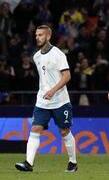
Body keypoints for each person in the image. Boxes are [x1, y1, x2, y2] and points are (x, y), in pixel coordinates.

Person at [15, 25, 77, 172]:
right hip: (42, 101)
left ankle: (73, 163)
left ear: (48, 36)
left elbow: (67, 76)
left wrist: (53, 90)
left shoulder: (58, 54)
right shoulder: (36, 56)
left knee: (64, 131)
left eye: (41, 35)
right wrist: (45, 91)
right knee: (35, 128)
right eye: (36, 35)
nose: (37, 37)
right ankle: (28, 163)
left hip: (60, 101)